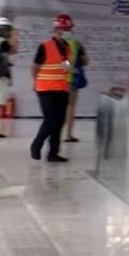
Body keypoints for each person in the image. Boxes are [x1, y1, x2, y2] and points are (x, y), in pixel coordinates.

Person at [30, 15, 80, 163]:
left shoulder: (68, 48)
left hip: (62, 89)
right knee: (50, 120)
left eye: (68, 29)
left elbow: (66, 68)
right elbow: (35, 67)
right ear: (56, 29)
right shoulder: (44, 46)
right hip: (45, 89)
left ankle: (53, 153)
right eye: (64, 29)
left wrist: (68, 85)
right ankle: (37, 144)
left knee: (59, 121)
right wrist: (36, 82)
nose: (66, 32)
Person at [56, 14, 88, 143]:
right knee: (70, 107)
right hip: (70, 79)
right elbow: (85, 61)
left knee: (57, 108)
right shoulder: (76, 44)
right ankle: (68, 134)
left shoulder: (51, 43)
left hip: (54, 80)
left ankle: (54, 133)